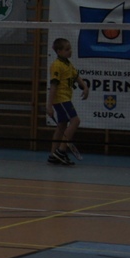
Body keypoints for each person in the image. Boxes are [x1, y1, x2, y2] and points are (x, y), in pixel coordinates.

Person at [46, 37, 89, 165]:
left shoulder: (68, 64)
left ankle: (53, 156)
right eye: (67, 49)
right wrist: (49, 106)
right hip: (61, 99)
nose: (70, 51)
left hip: (65, 99)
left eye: (70, 49)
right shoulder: (56, 65)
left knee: (62, 126)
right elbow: (53, 86)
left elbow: (76, 76)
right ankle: (61, 151)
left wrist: (85, 86)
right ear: (59, 51)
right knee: (75, 121)